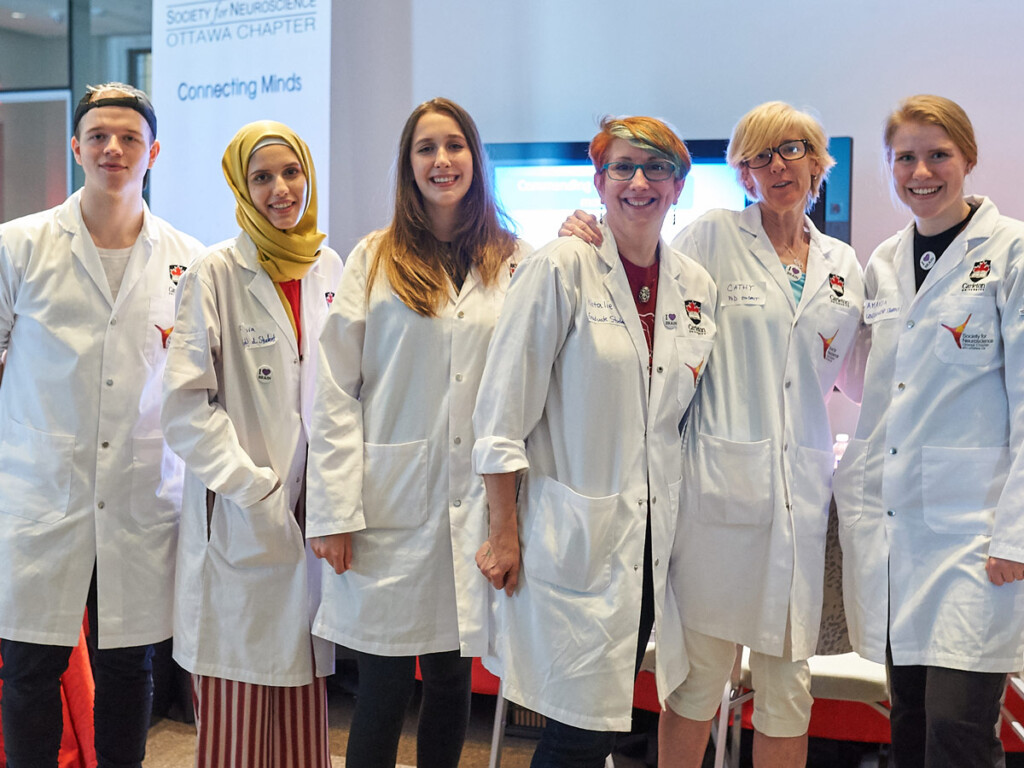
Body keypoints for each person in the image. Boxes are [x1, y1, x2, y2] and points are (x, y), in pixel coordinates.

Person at [561, 102, 865, 768]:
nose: (777, 166)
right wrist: (588, 233)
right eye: (758, 157)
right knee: (698, 683)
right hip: (715, 501)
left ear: (818, 162)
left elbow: (864, 377)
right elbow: (637, 268)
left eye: (790, 150)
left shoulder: (845, 266)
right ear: (743, 175)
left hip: (799, 503)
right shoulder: (710, 238)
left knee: (789, 688)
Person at [473, 115, 717, 767]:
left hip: (649, 550)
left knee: (605, 725)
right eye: (623, 167)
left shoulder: (696, 287)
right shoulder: (560, 268)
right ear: (599, 179)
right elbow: (500, 416)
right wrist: (502, 533)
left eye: (657, 168)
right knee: (577, 732)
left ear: (678, 185)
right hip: (569, 542)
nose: (639, 182)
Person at [306, 97, 526, 768]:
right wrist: (334, 509)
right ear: (408, 165)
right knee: (382, 682)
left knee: (456, 674)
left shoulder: (516, 259)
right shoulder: (374, 258)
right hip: (387, 504)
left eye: (454, 145)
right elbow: (336, 391)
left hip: (476, 503)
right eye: (426, 148)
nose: (441, 160)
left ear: (474, 158)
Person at [0, 82, 202, 768]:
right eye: (99, 136)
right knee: (29, 663)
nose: (114, 148)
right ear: (76, 147)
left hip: (143, 489)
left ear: (154, 152)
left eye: (130, 138)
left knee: (130, 664)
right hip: (40, 487)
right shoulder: (19, 245)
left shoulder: (189, 259)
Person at [834, 94, 1024, 768]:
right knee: (909, 717)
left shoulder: (1011, 252)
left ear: (967, 157)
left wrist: (1015, 533)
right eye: (906, 157)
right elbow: (871, 385)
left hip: (977, 535)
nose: (922, 171)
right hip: (897, 529)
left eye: (938, 154)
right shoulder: (882, 260)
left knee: (958, 728)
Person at [160, 121, 340, 767]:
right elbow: (184, 408)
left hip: (313, 520)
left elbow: (342, 393)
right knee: (237, 732)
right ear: (241, 186)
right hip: (242, 518)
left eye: (290, 173)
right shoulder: (214, 273)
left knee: (300, 725)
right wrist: (255, 489)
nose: (280, 189)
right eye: (261, 177)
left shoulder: (330, 267)